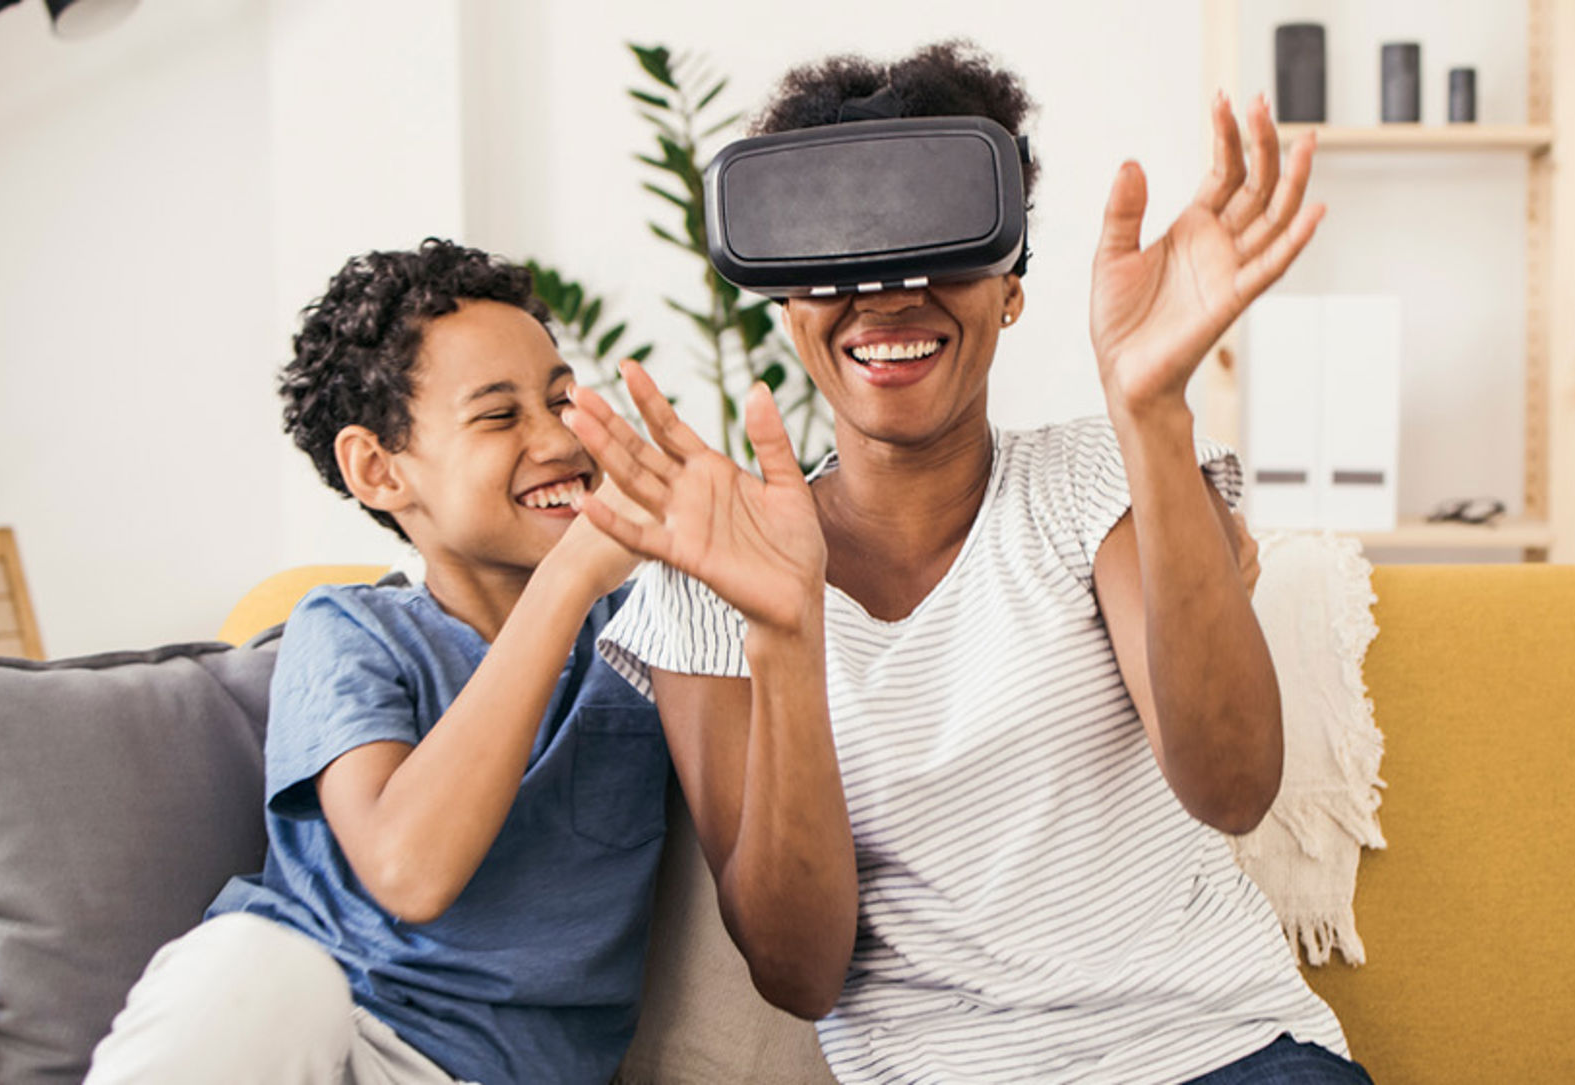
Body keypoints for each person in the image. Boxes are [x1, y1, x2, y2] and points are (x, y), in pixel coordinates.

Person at [568, 41, 1373, 1085]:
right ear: (786, 303)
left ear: (1011, 290)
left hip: (1221, 1055)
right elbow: (799, 969)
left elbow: (1232, 786)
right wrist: (786, 631)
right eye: (839, 253)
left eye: (937, 245)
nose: (887, 292)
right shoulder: (714, 570)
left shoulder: (1101, 478)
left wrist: (1152, 413)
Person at [86, 239, 668, 1085]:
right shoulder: (350, 629)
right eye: (500, 416)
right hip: (310, 1037)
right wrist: (575, 574)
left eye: (563, 399)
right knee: (255, 965)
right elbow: (408, 869)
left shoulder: (649, 630)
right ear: (378, 468)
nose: (556, 438)